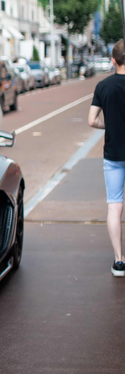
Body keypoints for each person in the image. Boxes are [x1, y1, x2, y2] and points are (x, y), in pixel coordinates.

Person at [88, 40, 125, 277]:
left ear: (113, 60)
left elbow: (92, 120)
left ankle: (119, 261)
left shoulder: (103, 86)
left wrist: (109, 125)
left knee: (115, 205)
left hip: (113, 155)